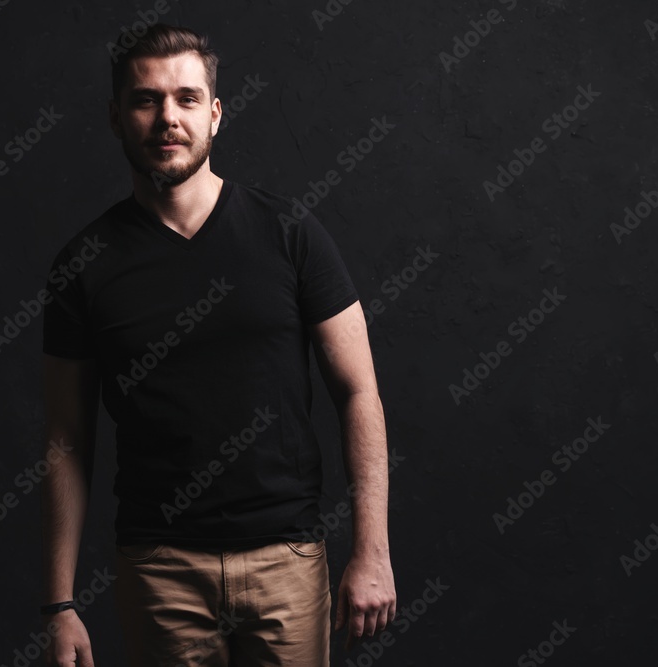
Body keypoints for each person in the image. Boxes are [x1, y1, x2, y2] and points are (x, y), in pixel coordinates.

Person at [39, 22, 395, 667]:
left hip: (285, 559)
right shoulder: (83, 265)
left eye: (187, 98)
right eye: (145, 100)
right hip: (160, 569)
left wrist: (372, 552)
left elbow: (358, 390)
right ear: (117, 117)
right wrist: (59, 605)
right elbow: (67, 438)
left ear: (216, 114)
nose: (166, 117)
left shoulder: (290, 234)